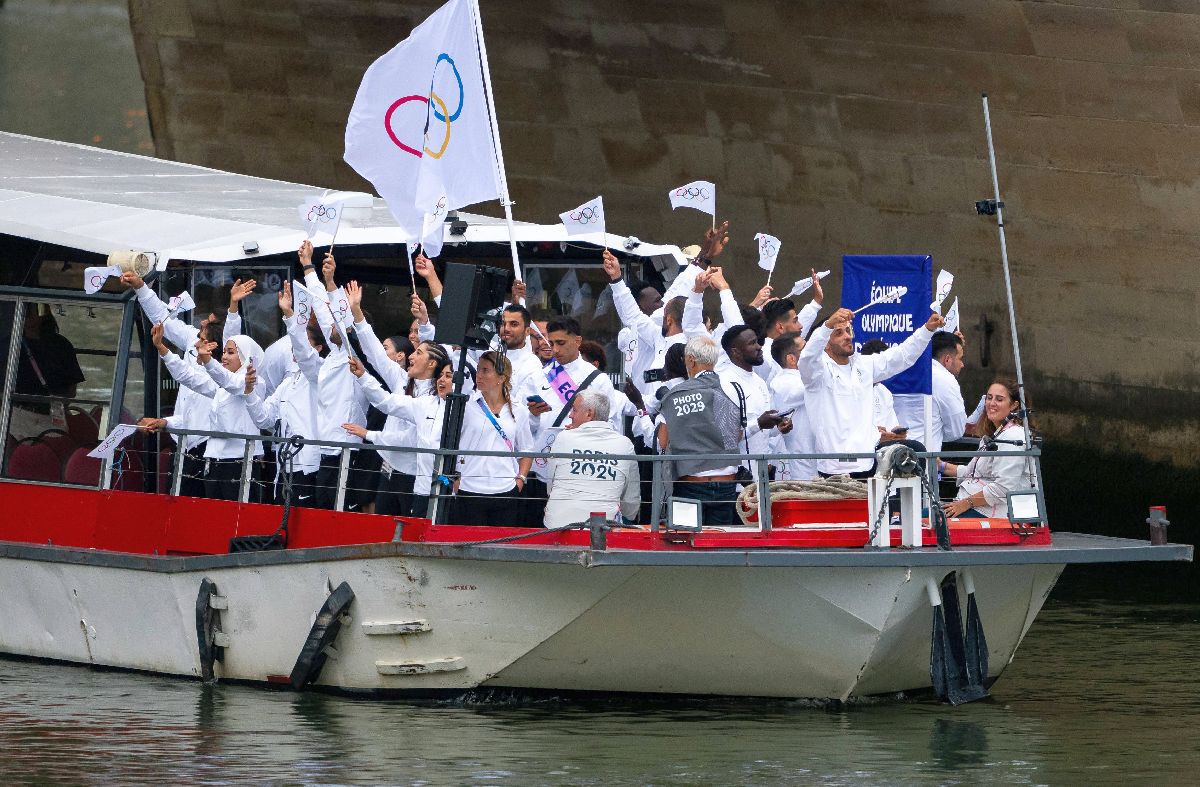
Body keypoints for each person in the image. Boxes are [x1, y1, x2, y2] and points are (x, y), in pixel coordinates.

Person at [126, 272, 247, 496]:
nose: (200, 323)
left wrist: (233, 307)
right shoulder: (194, 343)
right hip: (183, 447)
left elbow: (187, 376)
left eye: (206, 323)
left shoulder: (223, 376)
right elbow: (163, 318)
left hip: (209, 449)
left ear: (211, 344)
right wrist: (140, 287)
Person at [800, 306, 944, 477]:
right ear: (825, 344)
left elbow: (902, 356)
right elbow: (807, 358)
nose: (847, 336)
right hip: (835, 467)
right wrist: (826, 326)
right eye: (838, 333)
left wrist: (927, 330)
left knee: (913, 451)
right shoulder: (817, 372)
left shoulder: (864, 364)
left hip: (869, 461)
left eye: (848, 331)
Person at [147, 323, 265, 501]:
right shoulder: (221, 386)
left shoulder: (254, 383)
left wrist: (208, 362)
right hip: (215, 461)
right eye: (224, 352)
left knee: (239, 522)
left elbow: (231, 383)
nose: (224, 357)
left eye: (231, 353)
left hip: (240, 463)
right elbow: (189, 377)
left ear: (247, 357)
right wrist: (162, 348)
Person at [523, 315, 616, 522]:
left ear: (578, 341)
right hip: (542, 465)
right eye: (551, 343)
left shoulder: (598, 380)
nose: (555, 349)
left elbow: (611, 426)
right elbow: (524, 427)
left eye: (561, 343)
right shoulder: (538, 377)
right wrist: (534, 415)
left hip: (581, 467)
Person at [345, 356, 453, 519]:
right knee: (388, 527)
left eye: (449, 376)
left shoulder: (469, 412)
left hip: (441, 489)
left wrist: (369, 434)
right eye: (441, 375)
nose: (442, 380)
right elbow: (387, 402)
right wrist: (363, 376)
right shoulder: (426, 404)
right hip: (413, 484)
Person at [658, 336, 744, 527]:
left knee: (687, 543)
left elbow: (663, 441)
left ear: (691, 360)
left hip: (690, 481)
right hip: (726, 483)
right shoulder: (734, 389)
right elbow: (737, 434)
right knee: (718, 543)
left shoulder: (676, 393)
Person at [453, 351, 534, 526]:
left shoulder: (518, 410)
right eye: (478, 369)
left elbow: (527, 450)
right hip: (468, 489)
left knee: (502, 548)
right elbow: (451, 443)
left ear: (502, 378)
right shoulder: (465, 405)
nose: (478, 375)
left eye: (485, 370)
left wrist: (520, 479)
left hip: (506, 490)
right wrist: (455, 479)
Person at [543, 390, 640, 528]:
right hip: (602, 529)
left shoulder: (563, 438)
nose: (570, 415)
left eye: (574, 410)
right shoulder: (625, 445)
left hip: (557, 525)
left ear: (589, 413)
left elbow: (550, 487)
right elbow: (631, 503)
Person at [939, 378, 1034, 519]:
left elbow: (1003, 487)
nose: (991, 403)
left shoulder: (1014, 436)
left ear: (1014, 405)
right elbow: (971, 474)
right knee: (919, 517)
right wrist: (940, 465)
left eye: (999, 399)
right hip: (975, 507)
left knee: (922, 523)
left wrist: (964, 504)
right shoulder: (994, 436)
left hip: (995, 516)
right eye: (989, 398)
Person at [716, 324, 790, 480]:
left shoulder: (759, 381)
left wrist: (778, 427)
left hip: (762, 476)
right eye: (752, 343)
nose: (759, 347)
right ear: (735, 352)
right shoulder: (724, 383)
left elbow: (763, 431)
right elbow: (725, 437)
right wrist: (759, 424)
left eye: (757, 341)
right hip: (737, 481)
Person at [891, 330, 969, 454]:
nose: (962, 364)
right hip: (922, 458)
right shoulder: (945, 379)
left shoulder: (900, 368)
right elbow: (956, 431)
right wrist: (938, 431)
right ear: (947, 360)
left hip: (890, 454)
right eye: (960, 358)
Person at [756, 268, 824, 382]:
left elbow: (799, 326)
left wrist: (817, 301)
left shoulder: (786, 341)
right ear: (780, 327)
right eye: (795, 321)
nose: (801, 325)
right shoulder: (765, 358)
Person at [769, 332, 816, 482]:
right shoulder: (784, 382)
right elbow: (813, 388)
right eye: (806, 349)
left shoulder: (801, 378)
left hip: (815, 462)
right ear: (791, 359)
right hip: (798, 468)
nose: (811, 353)